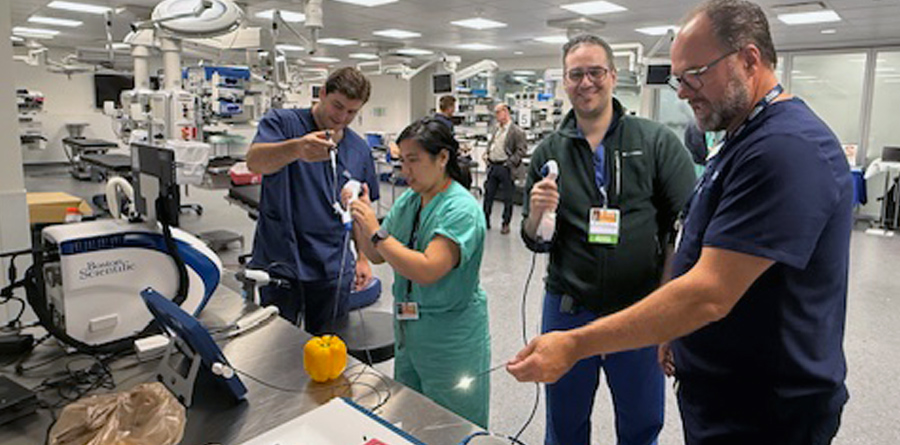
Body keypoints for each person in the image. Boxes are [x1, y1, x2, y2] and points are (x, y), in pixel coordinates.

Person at [508, 2, 852, 444]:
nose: (684, 93)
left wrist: (577, 343)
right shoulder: (742, 139)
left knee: (638, 424)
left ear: (749, 60)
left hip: (766, 408)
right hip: (723, 390)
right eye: (678, 79)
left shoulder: (784, 149)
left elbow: (709, 292)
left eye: (695, 75)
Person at [517, 34, 696, 445]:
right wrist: (538, 214)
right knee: (564, 423)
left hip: (640, 308)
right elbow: (536, 241)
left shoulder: (654, 142)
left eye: (595, 72)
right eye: (576, 74)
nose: (586, 83)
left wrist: (671, 312)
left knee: (641, 424)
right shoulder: (549, 151)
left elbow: (688, 228)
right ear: (565, 81)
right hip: (568, 307)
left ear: (613, 76)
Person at [347, 117, 491, 428]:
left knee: (453, 425)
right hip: (410, 330)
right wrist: (362, 218)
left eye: (413, 160)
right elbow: (377, 254)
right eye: (402, 161)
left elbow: (428, 269)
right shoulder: (411, 201)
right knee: (412, 417)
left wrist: (376, 231)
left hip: (450, 337)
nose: (405, 170)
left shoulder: (461, 209)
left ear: (442, 158)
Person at [246, 67, 379, 334]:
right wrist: (296, 148)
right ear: (322, 93)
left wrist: (362, 258)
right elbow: (254, 162)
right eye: (337, 106)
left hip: (332, 267)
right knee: (276, 347)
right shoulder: (283, 123)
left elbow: (358, 211)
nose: (342, 117)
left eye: (351, 112)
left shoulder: (359, 150)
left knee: (328, 347)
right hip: (282, 262)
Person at [482, 103, 527, 234]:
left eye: (498, 112)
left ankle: (505, 223)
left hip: (506, 168)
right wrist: (487, 154)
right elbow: (492, 144)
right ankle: (485, 220)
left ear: (506, 112)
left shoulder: (517, 131)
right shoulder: (496, 129)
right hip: (493, 166)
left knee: (508, 197)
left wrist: (510, 162)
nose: (496, 116)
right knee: (488, 195)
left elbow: (521, 150)